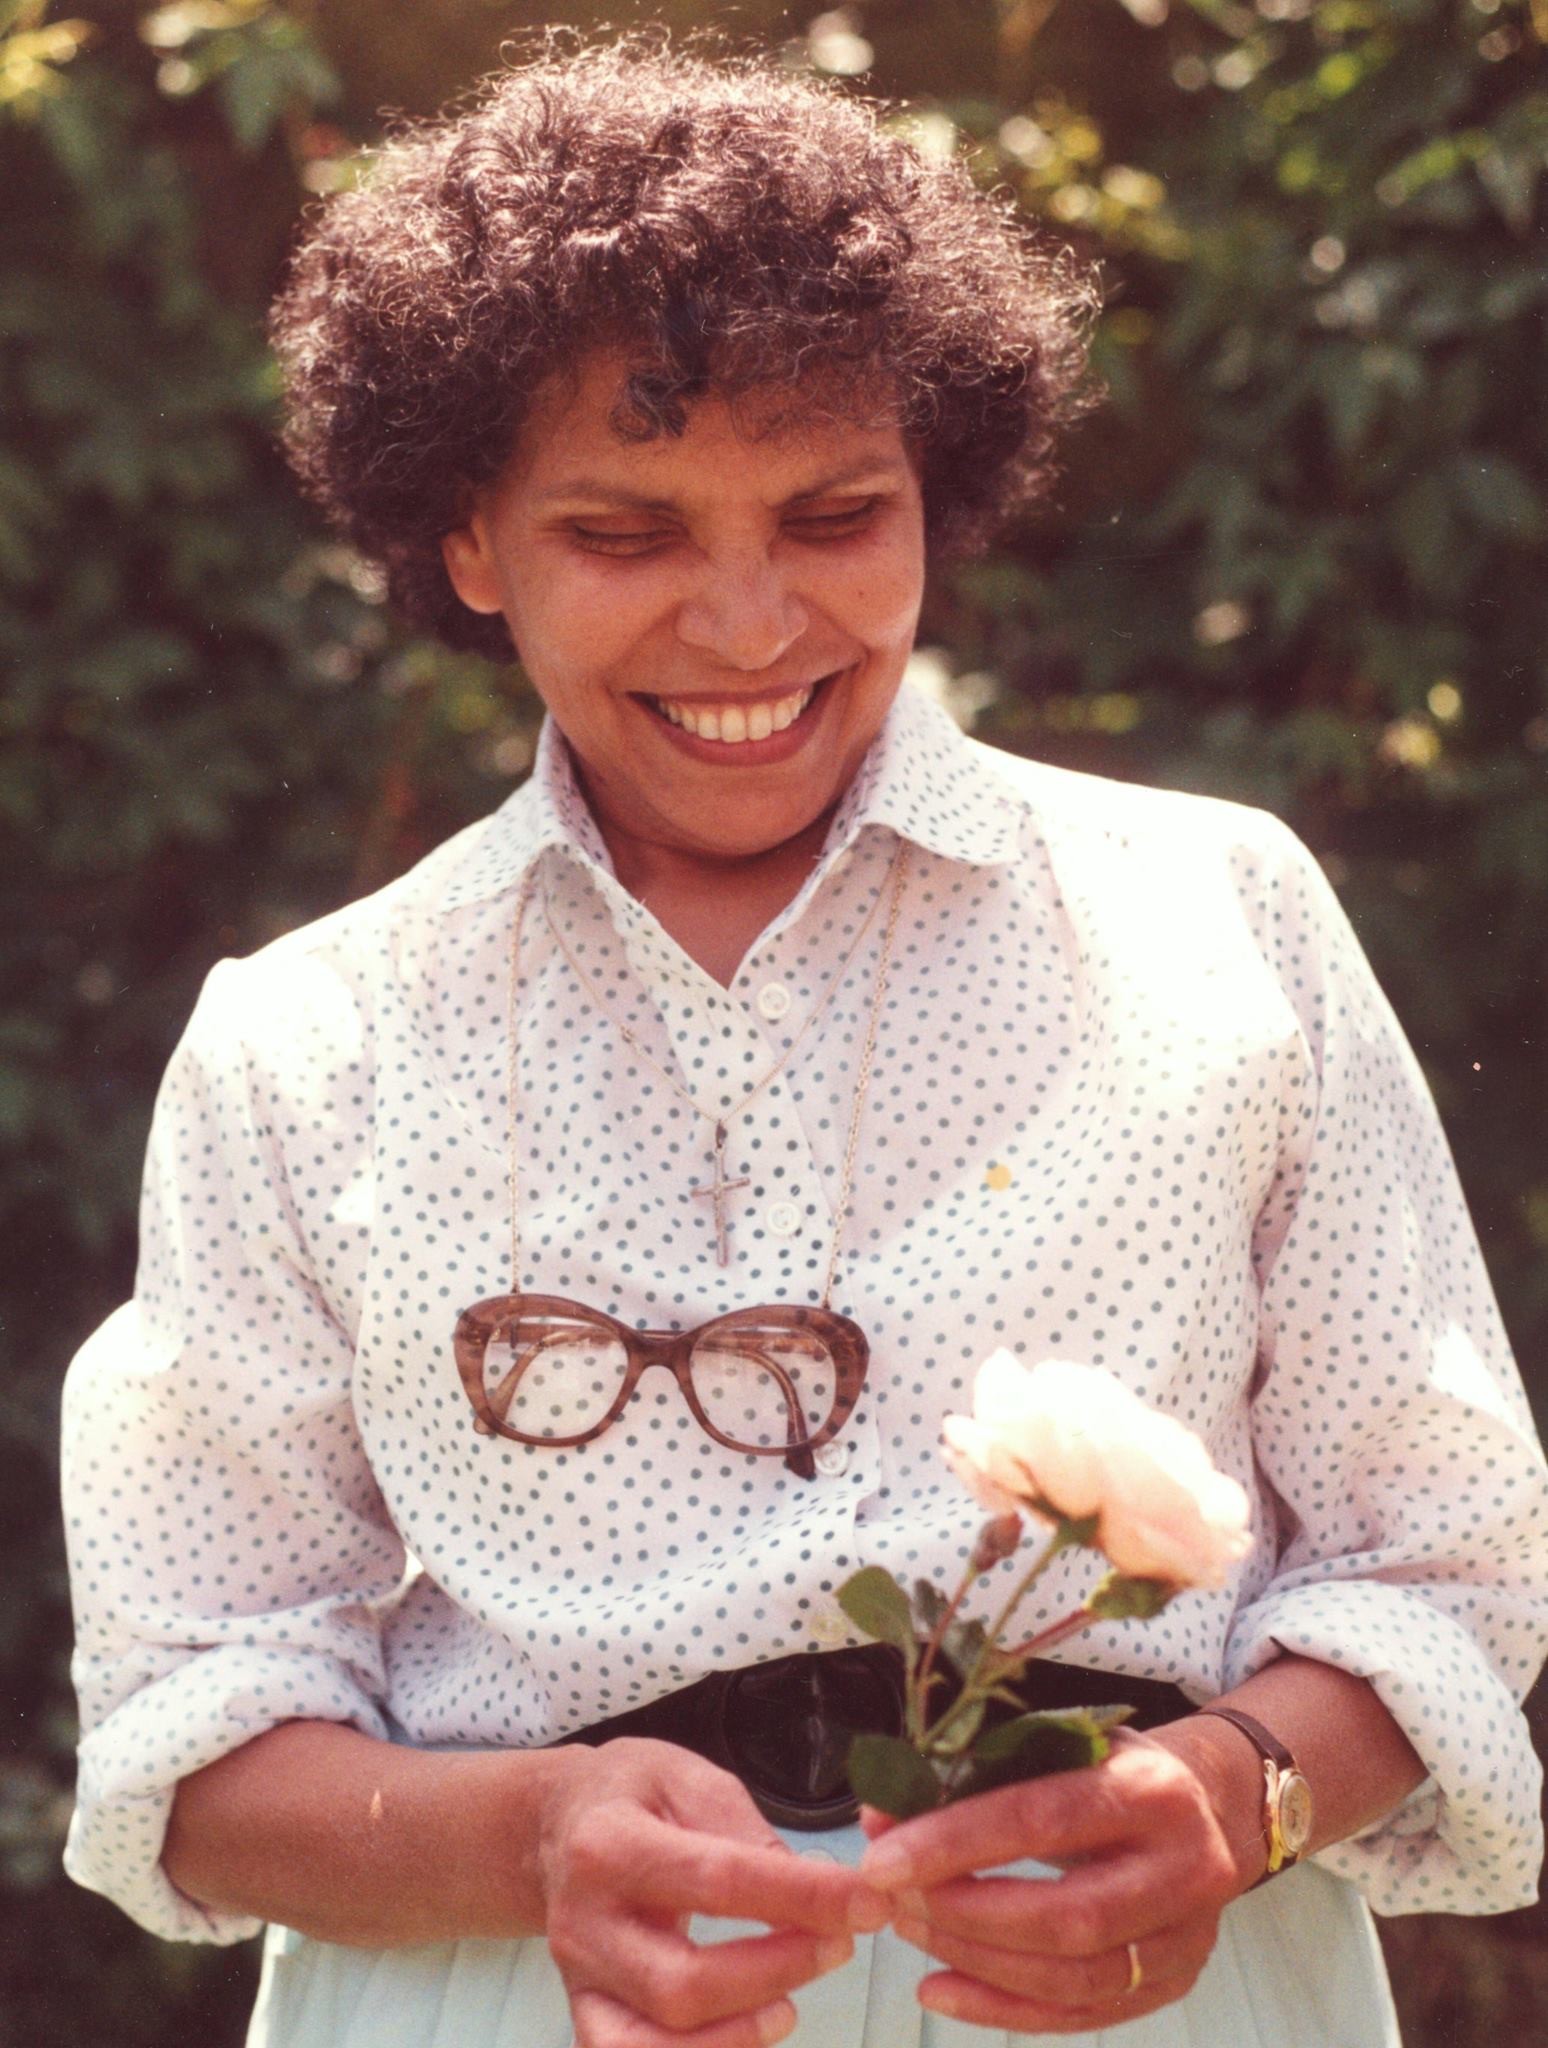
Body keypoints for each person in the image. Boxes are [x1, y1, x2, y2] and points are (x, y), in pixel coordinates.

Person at [60, 34, 1548, 2048]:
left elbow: (1443, 1560)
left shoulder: (1218, 917)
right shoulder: (310, 1041)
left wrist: (1240, 1797)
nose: (751, 624)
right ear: (471, 542)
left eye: (835, 509)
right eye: (627, 531)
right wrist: (531, 1846)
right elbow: (191, 1732)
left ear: (942, 487)